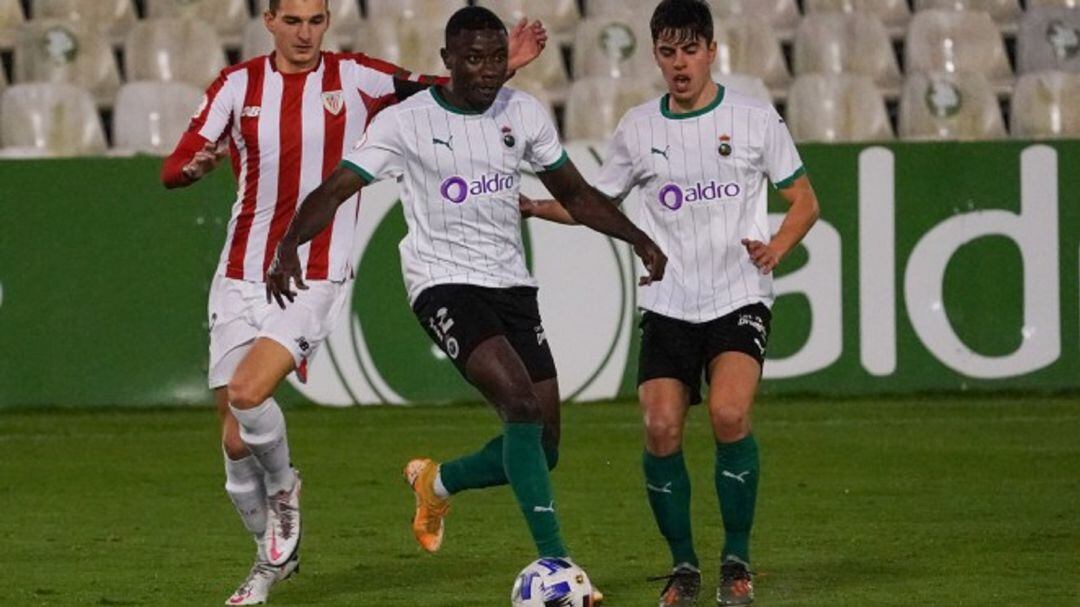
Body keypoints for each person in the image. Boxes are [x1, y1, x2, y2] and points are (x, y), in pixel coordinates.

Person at [265, 5, 666, 599]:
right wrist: (291, 243)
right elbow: (338, 185)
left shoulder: (523, 112)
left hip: (511, 286)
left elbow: (576, 194)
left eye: (496, 58)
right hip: (443, 283)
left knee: (545, 448)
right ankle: (555, 564)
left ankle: (438, 482)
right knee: (519, 407)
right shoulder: (408, 122)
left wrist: (638, 237)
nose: (486, 70)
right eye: (473, 59)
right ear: (447, 60)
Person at [160, 1, 548, 603]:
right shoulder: (237, 86)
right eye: (293, 21)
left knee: (247, 394)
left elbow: (443, 88)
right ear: (269, 21)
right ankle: (267, 565)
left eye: (316, 20)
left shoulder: (357, 78)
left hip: (314, 271)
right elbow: (175, 164)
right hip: (239, 274)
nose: (305, 33)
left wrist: (510, 66)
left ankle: (286, 490)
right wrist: (194, 168)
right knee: (236, 443)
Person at [521, 1, 821, 605]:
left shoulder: (755, 118)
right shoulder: (638, 128)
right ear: (655, 54)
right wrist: (531, 205)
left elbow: (805, 200)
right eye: (667, 51)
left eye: (689, 50)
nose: (679, 63)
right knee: (660, 427)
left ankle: (736, 560)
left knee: (730, 415)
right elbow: (592, 203)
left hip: (739, 294)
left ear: (712, 50)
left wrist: (776, 248)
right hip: (669, 301)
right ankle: (683, 567)